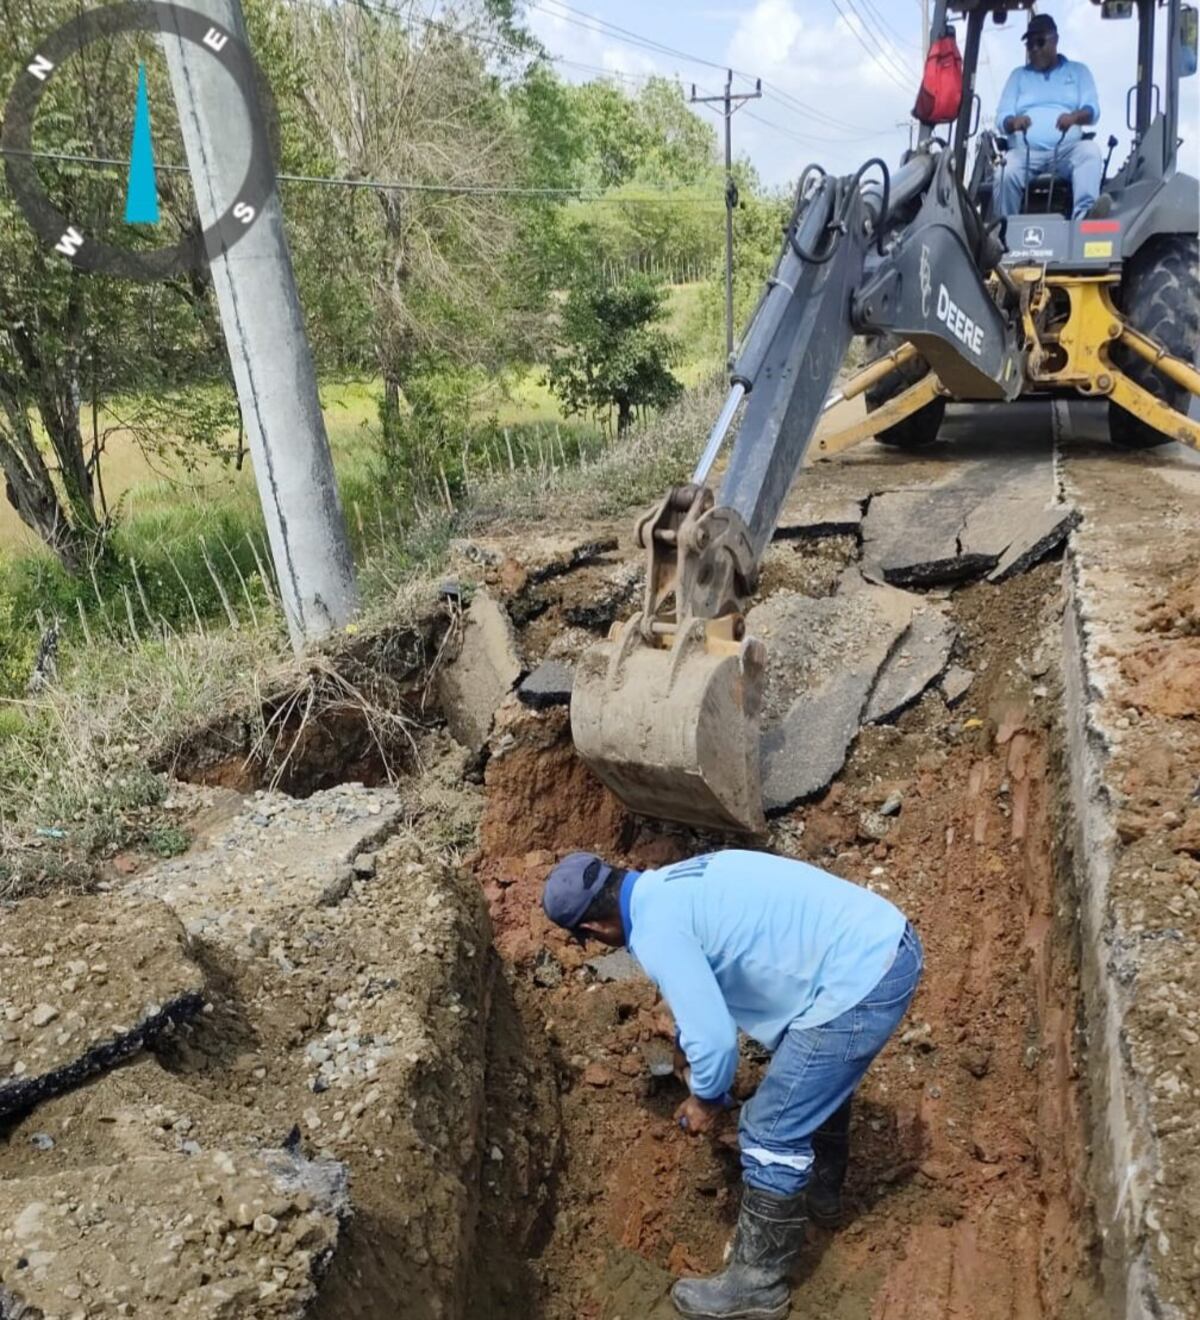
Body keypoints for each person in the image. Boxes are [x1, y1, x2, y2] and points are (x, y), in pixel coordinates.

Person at [542, 848, 923, 1320]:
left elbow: (718, 1043)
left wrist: (706, 1098)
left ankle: (757, 1287)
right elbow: (706, 975)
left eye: (588, 940)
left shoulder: (657, 931)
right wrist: (685, 1039)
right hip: (878, 939)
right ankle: (821, 1195)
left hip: (864, 978)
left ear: (595, 927)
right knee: (805, 1083)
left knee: (769, 1130)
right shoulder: (669, 883)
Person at [994, 12, 1105, 219]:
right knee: (1005, 171)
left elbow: (1092, 111)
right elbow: (1002, 118)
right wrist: (1013, 122)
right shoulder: (1018, 76)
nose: (1034, 49)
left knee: (1090, 152)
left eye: (1040, 42)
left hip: (1066, 152)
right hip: (1025, 153)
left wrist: (1074, 118)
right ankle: (1003, 228)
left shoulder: (1078, 72)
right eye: (1030, 45)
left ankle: (1084, 218)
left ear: (1055, 40)